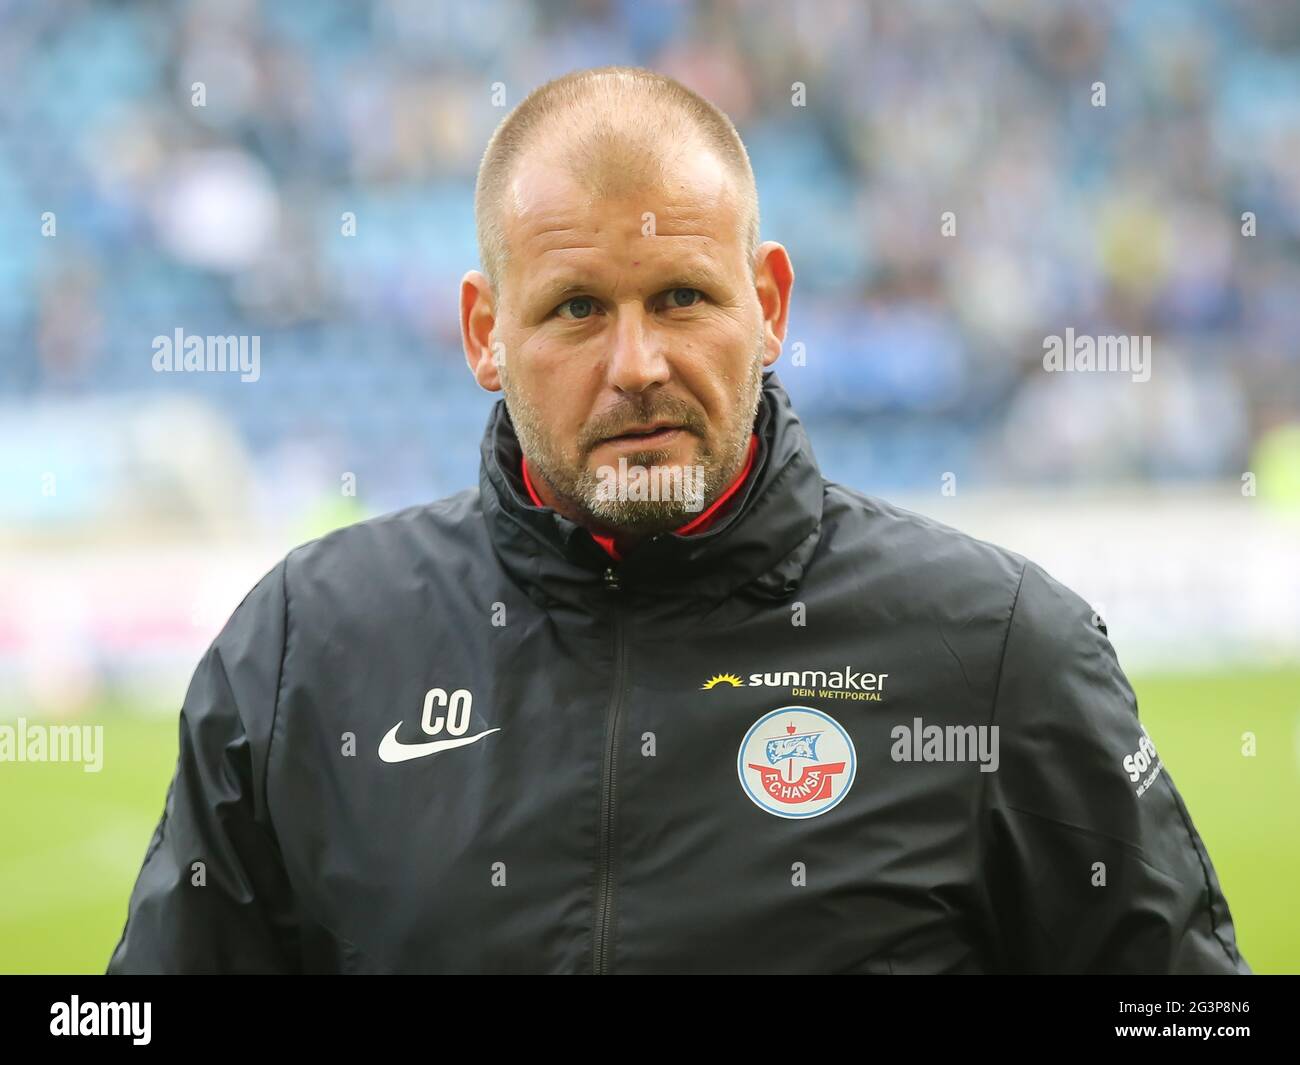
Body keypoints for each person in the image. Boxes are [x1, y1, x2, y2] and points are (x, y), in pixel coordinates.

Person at [107, 66, 1250, 974]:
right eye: (575, 310)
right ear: (482, 334)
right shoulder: (308, 649)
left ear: (770, 305)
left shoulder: (1001, 650)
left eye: (682, 298)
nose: (636, 364)